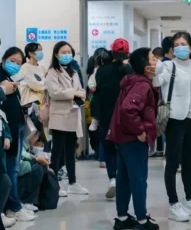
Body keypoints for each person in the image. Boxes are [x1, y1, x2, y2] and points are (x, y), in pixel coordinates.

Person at [153, 32, 191, 222]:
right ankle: (173, 203)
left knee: (188, 161)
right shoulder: (168, 66)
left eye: (184, 43)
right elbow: (156, 83)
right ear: (172, 49)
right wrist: (156, 67)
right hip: (175, 118)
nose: (181, 47)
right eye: (177, 44)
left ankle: (190, 198)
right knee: (172, 161)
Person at [107, 47, 160, 230]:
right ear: (146, 67)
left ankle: (122, 217)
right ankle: (142, 220)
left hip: (121, 138)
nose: (157, 62)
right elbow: (128, 109)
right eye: (153, 59)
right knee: (138, 179)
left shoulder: (132, 81)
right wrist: (140, 131)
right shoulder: (142, 85)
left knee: (124, 178)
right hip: (132, 140)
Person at [0, 47, 37, 222]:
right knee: (6, 172)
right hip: (4, 131)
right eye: (12, 61)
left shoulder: (14, 77)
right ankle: (9, 208)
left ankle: (14, 204)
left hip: (17, 125)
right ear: (4, 59)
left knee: (13, 169)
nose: (15, 65)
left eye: (19, 63)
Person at [45, 41, 88, 196]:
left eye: (69, 52)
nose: (66, 55)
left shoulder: (74, 72)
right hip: (59, 116)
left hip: (72, 114)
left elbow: (80, 88)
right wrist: (74, 93)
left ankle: (73, 182)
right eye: (63, 52)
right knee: (57, 151)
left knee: (71, 150)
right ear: (56, 55)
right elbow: (54, 92)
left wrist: (81, 93)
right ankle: (54, 183)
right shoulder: (52, 72)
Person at [94, 38, 133, 200]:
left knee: (109, 149)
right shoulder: (129, 70)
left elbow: (97, 91)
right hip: (124, 116)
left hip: (105, 115)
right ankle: (123, 180)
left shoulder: (102, 71)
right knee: (123, 150)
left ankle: (112, 179)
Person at [87, 48, 112, 132]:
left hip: (109, 94)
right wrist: (92, 85)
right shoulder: (97, 70)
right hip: (99, 93)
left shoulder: (112, 69)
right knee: (96, 100)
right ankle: (95, 119)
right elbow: (91, 80)